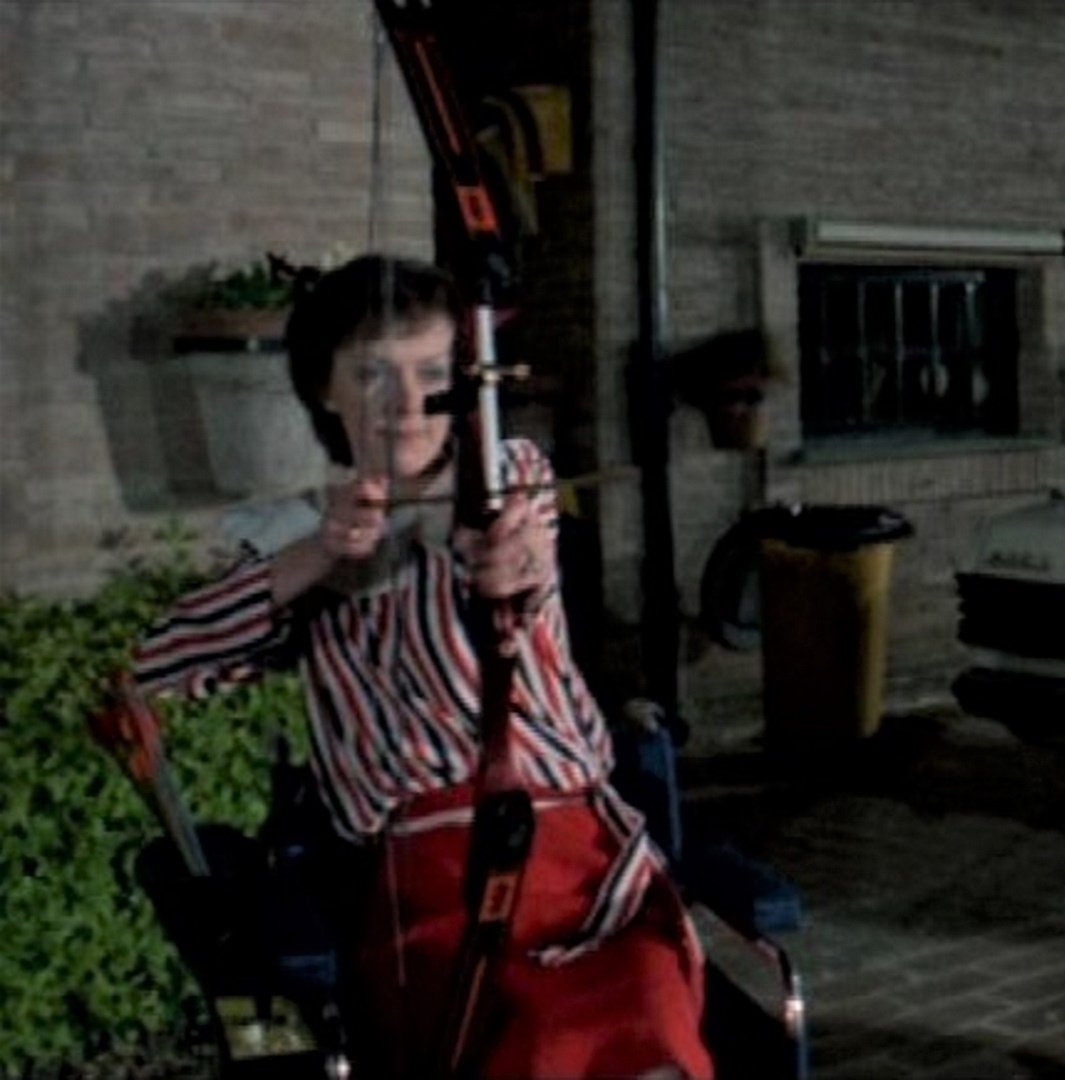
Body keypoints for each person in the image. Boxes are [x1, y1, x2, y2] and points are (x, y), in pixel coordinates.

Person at [130, 254, 712, 1080]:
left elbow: (520, 546)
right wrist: (321, 552)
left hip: (575, 854)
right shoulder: (292, 538)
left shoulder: (503, 476)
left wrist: (512, 562)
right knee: (523, 1042)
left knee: (644, 1012)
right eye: (374, 375)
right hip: (426, 878)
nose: (407, 404)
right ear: (324, 389)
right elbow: (155, 666)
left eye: (432, 374)